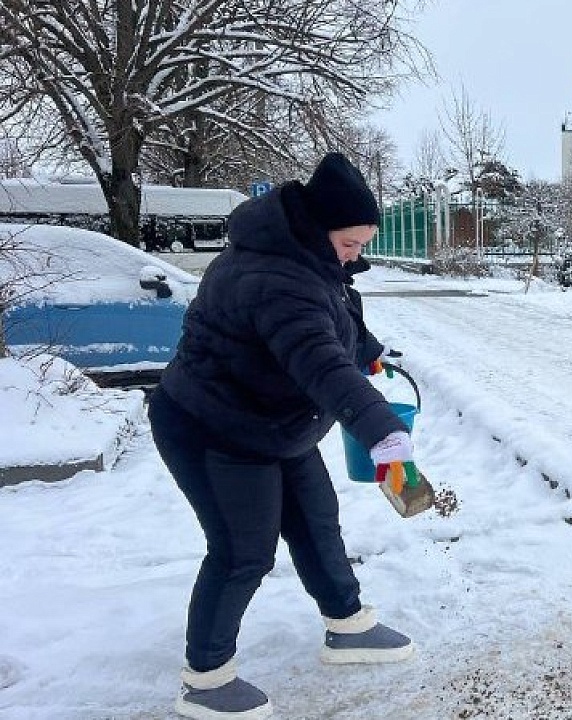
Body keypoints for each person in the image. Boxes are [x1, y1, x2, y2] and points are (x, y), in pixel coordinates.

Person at [148, 152, 415, 720]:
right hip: (214, 427)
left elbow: (338, 326)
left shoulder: (312, 260)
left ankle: (348, 625)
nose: (355, 257)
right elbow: (318, 360)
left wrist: (369, 353)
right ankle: (206, 679)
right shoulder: (272, 276)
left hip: (277, 425)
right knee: (244, 550)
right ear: (319, 230)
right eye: (350, 244)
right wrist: (379, 428)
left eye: (362, 245)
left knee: (317, 524)